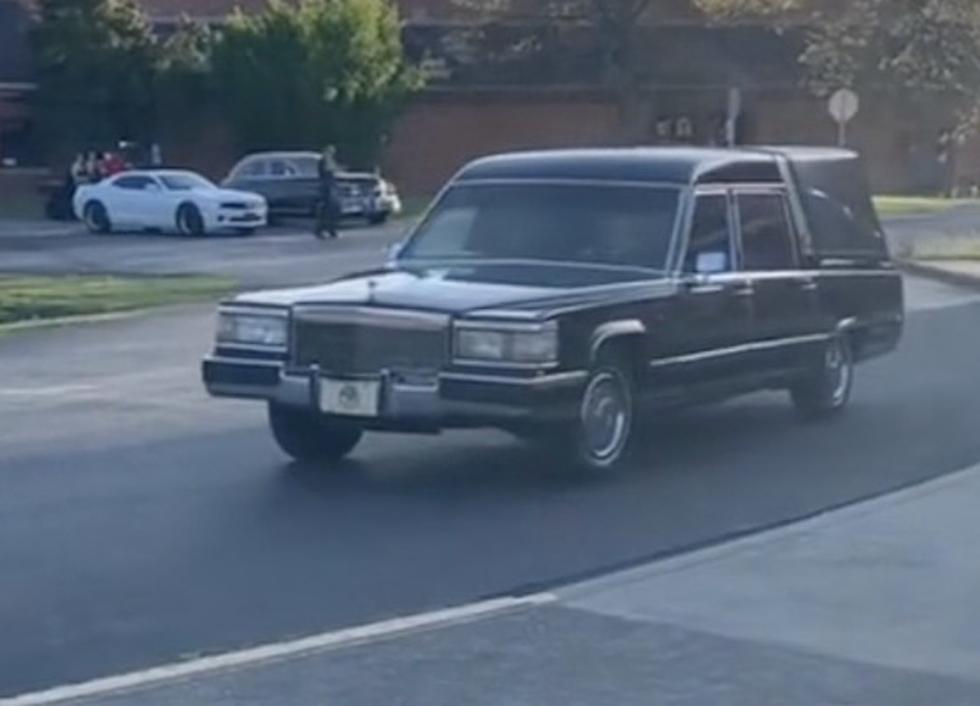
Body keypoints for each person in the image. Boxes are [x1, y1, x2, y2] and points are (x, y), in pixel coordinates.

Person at [315, 145, 340, 240]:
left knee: (332, 210)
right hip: (327, 188)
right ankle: (322, 230)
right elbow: (328, 171)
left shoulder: (328, 161)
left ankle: (330, 230)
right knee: (327, 210)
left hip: (330, 186)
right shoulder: (324, 161)